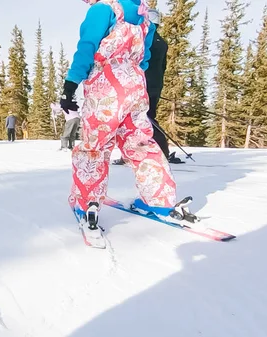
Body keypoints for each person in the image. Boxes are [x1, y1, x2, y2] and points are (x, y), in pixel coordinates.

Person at [59, 0, 198, 236]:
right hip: (135, 85)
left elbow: (87, 47)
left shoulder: (102, 9)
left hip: (106, 87)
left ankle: (86, 205)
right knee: (141, 144)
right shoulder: (143, 16)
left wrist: (70, 85)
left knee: (95, 147)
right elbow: (145, 59)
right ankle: (159, 200)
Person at [112, 8, 183, 165]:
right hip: (155, 86)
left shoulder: (142, 40)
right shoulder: (162, 44)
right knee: (148, 116)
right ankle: (161, 151)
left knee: (133, 119)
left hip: (139, 84)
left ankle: (134, 154)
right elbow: (162, 67)